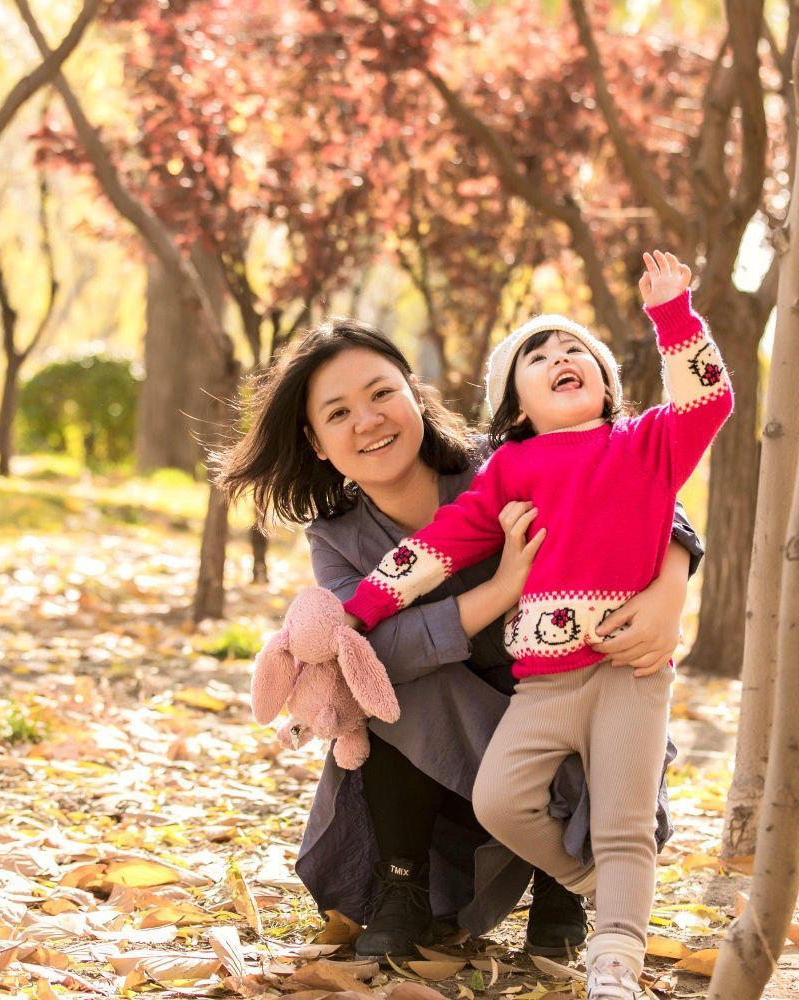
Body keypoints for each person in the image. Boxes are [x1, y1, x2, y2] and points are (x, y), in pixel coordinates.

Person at [215, 307, 705, 963]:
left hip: (560, 711)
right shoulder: (337, 536)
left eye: (383, 393)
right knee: (389, 684)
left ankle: (565, 887)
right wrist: (496, 593)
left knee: (568, 694)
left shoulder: (502, 464)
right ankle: (402, 885)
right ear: (315, 440)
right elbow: (359, 653)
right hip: (432, 765)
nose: (368, 420)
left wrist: (668, 593)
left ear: (415, 394)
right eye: (339, 413)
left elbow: (637, 485)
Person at [339, 251, 733, 1000]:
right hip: (542, 685)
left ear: (607, 384)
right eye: (539, 355)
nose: (562, 356)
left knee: (624, 823)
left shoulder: (646, 445)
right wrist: (355, 612)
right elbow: (439, 547)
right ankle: (611, 886)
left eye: (576, 349)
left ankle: (616, 956)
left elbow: (707, 400)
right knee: (501, 800)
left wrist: (672, 314)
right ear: (514, 407)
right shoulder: (510, 472)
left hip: (631, 675)